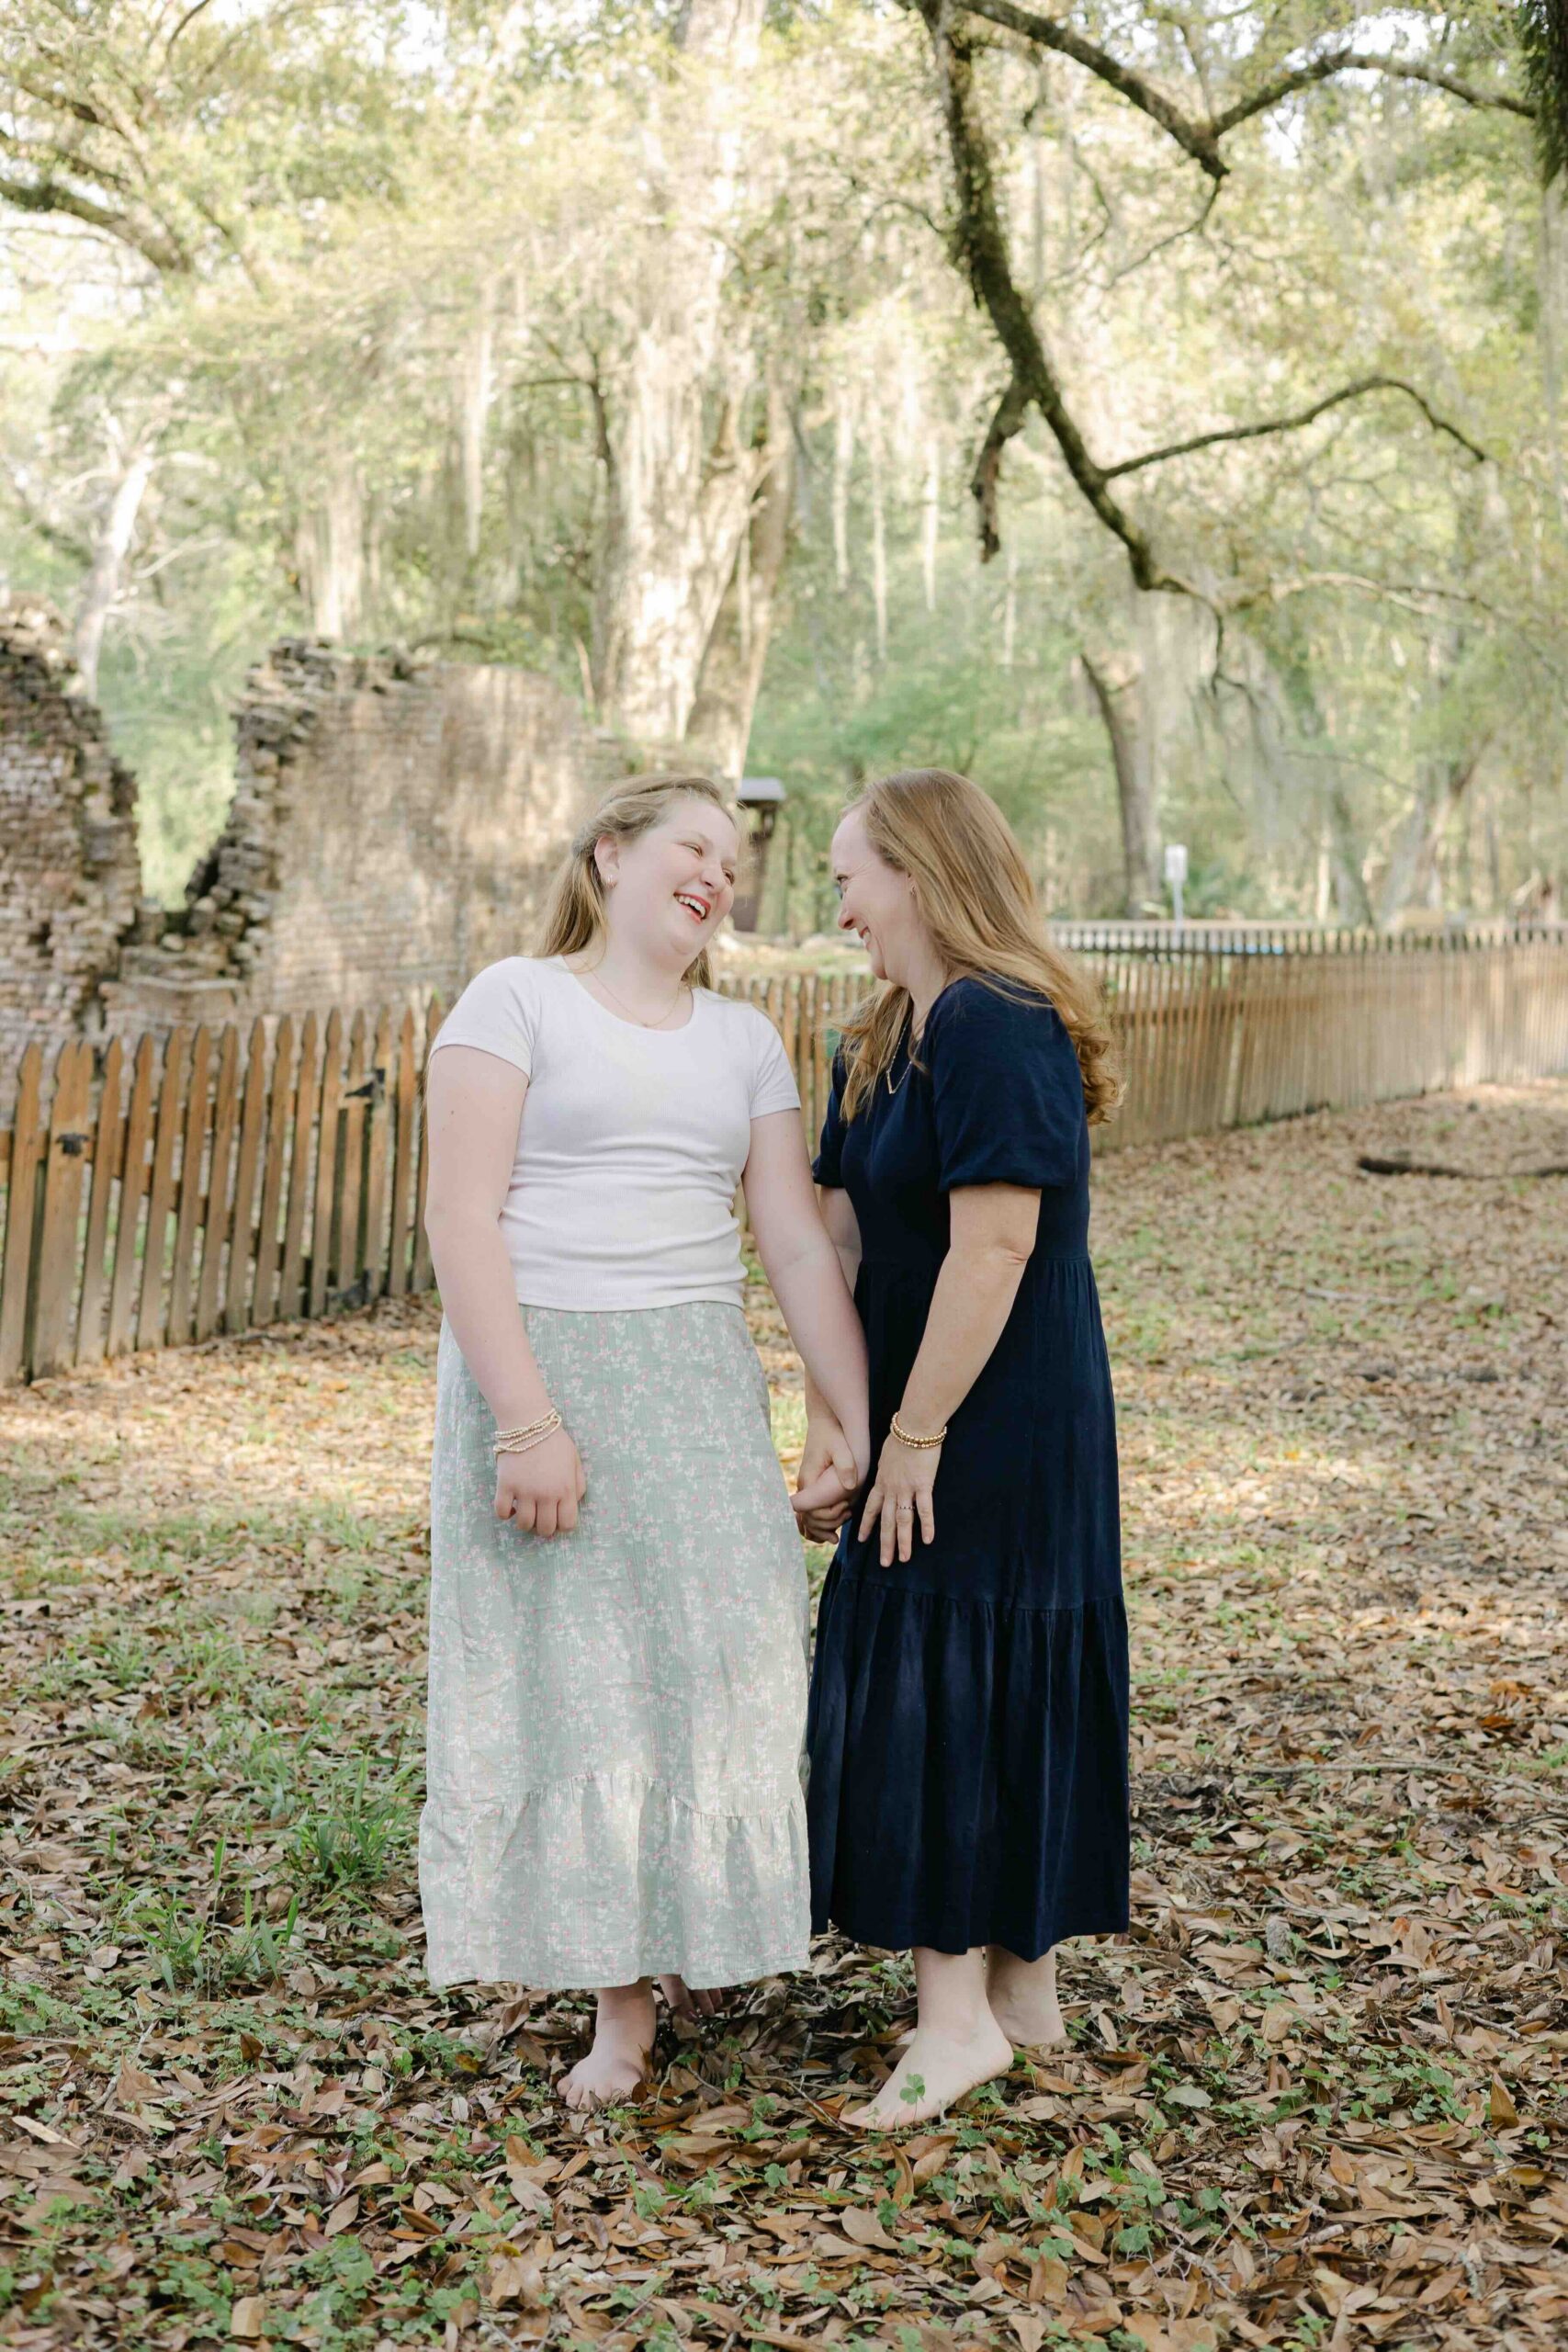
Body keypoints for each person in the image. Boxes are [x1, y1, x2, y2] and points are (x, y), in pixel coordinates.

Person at [419, 774, 868, 2111]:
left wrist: (844, 1413)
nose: (718, 877)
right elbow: (460, 1219)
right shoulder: (516, 999)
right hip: (546, 1368)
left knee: (725, 1656)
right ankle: (622, 2002)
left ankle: (701, 1934)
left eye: (733, 863)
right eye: (693, 848)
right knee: (589, 1675)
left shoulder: (742, 1039)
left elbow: (789, 1237)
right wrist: (528, 1423)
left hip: (695, 1377)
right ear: (610, 854)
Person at [795, 768, 1127, 2130]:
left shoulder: (997, 1020)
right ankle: (1017, 1988)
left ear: (921, 874)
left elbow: (998, 1245)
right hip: (914, 1401)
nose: (840, 909)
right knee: (965, 1659)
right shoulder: (881, 1038)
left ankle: (957, 2020)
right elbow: (837, 1239)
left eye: (849, 879)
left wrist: (915, 1433)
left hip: (1001, 1408)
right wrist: (833, 1417)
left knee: (949, 1666)